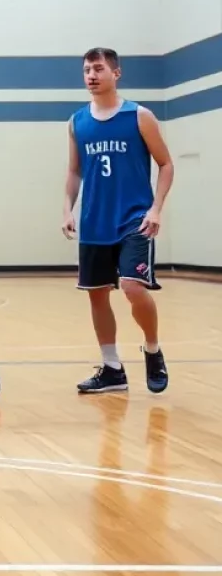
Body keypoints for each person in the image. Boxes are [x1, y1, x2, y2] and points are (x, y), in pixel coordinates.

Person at [62, 47, 173, 395]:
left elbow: (166, 164)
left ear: (116, 73)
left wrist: (156, 209)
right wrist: (67, 208)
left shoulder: (139, 116)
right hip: (95, 221)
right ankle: (112, 369)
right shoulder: (77, 121)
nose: (91, 76)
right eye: (86, 71)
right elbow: (74, 170)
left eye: (98, 69)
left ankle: (152, 349)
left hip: (134, 219)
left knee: (132, 287)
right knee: (97, 296)